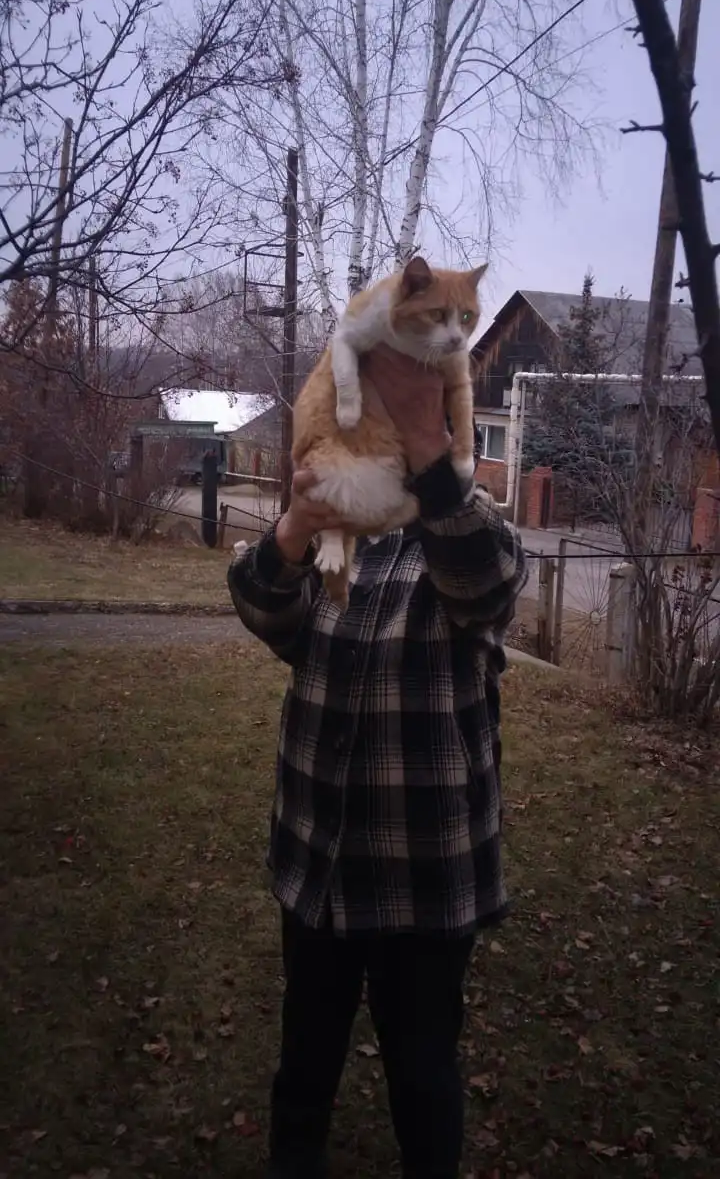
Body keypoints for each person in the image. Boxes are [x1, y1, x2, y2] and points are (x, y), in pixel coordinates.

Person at [227, 344, 527, 1179]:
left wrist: (432, 446)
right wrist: (295, 525)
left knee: (423, 1074)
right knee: (305, 1058)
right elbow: (265, 613)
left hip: (421, 880)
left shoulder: (468, 532)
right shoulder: (345, 530)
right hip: (317, 861)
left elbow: (486, 584)